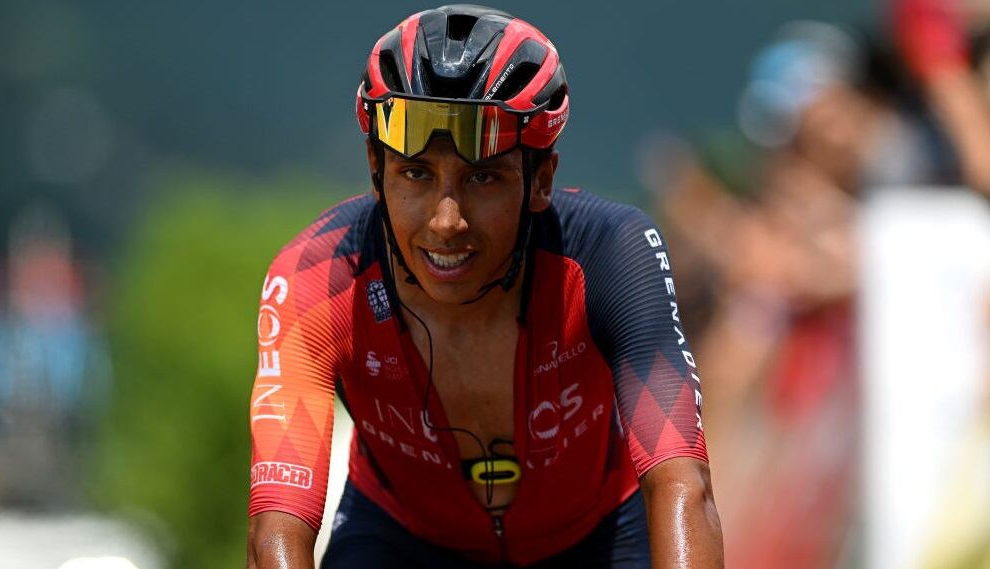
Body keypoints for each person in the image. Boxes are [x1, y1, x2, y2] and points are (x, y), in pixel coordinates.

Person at [246, 6, 723, 568]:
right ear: (376, 167)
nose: (447, 221)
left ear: (540, 179)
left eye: (484, 177)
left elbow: (681, 485)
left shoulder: (611, 255)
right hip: (402, 539)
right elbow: (275, 532)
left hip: (600, 535)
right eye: (416, 173)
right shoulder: (315, 277)